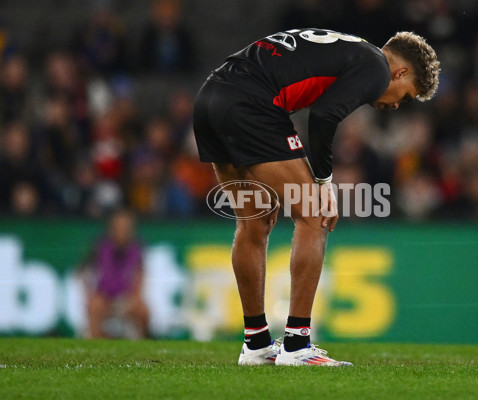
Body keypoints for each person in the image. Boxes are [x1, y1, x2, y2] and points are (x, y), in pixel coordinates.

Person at [193, 28, 440, 366]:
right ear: (401, 72)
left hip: (211, 98)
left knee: (254, 222)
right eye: (406, 95)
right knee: (315, 214)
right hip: (251, 103)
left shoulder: (351, 51)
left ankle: (256, 344)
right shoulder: (376, 66)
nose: (396, 104)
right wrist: (323, 183)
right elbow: (324, 115)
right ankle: (296, 343)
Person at [84, 209, 149, 338]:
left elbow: (139, 277)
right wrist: (91, 295)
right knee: (94, 306)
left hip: (126, 298)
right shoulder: (100, 247)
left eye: (126, 227)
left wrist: (133, 298)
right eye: (119, 227)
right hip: (104, 297)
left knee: (143, 311)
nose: (122, 231)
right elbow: (86, 274)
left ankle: (141, 344)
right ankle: (96, 342)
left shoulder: (137, 249)